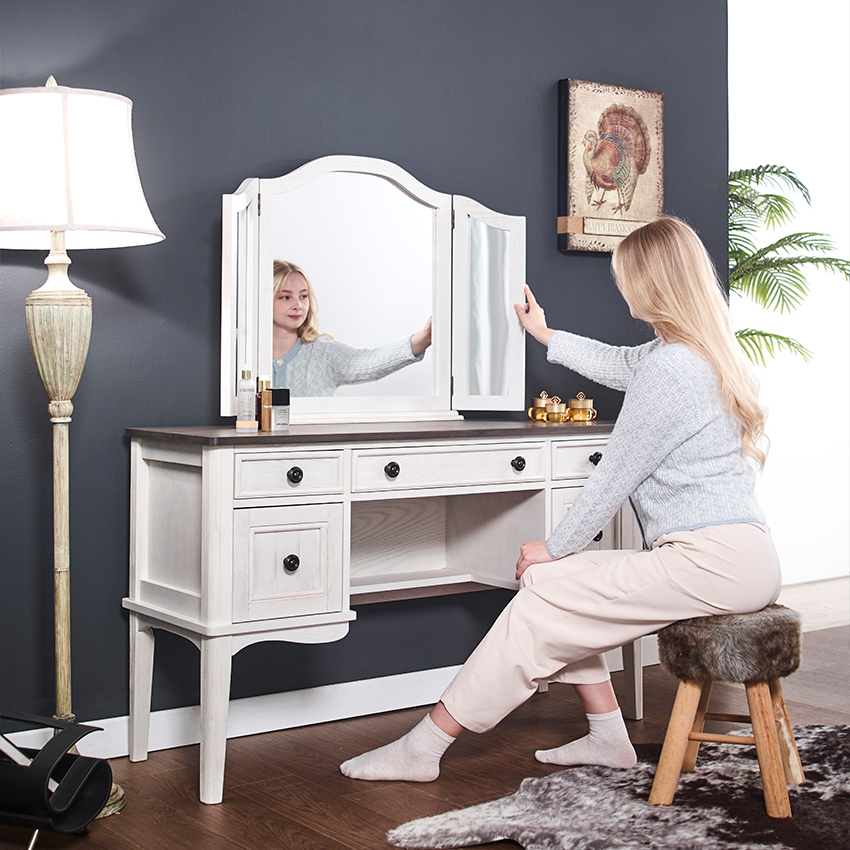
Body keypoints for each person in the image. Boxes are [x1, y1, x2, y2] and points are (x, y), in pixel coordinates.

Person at [339, 216, 781, 782]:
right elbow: (619, 364)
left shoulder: (673, 369)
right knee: (547, 583)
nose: (620, 287)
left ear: (650, 283)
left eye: (625, 276)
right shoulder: (688, 354)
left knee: (541, 594)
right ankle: (608, 736)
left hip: (711, 562)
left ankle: (424, 747)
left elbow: (614, 475)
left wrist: (555, 545)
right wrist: (544, 334)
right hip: (736, 558)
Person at [271, 260, 432, 396]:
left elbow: (370, 363)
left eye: (303, 296)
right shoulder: (254, 358)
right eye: (286, 297)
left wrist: (423, 338)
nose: (298, 305)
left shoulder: (324, 353)